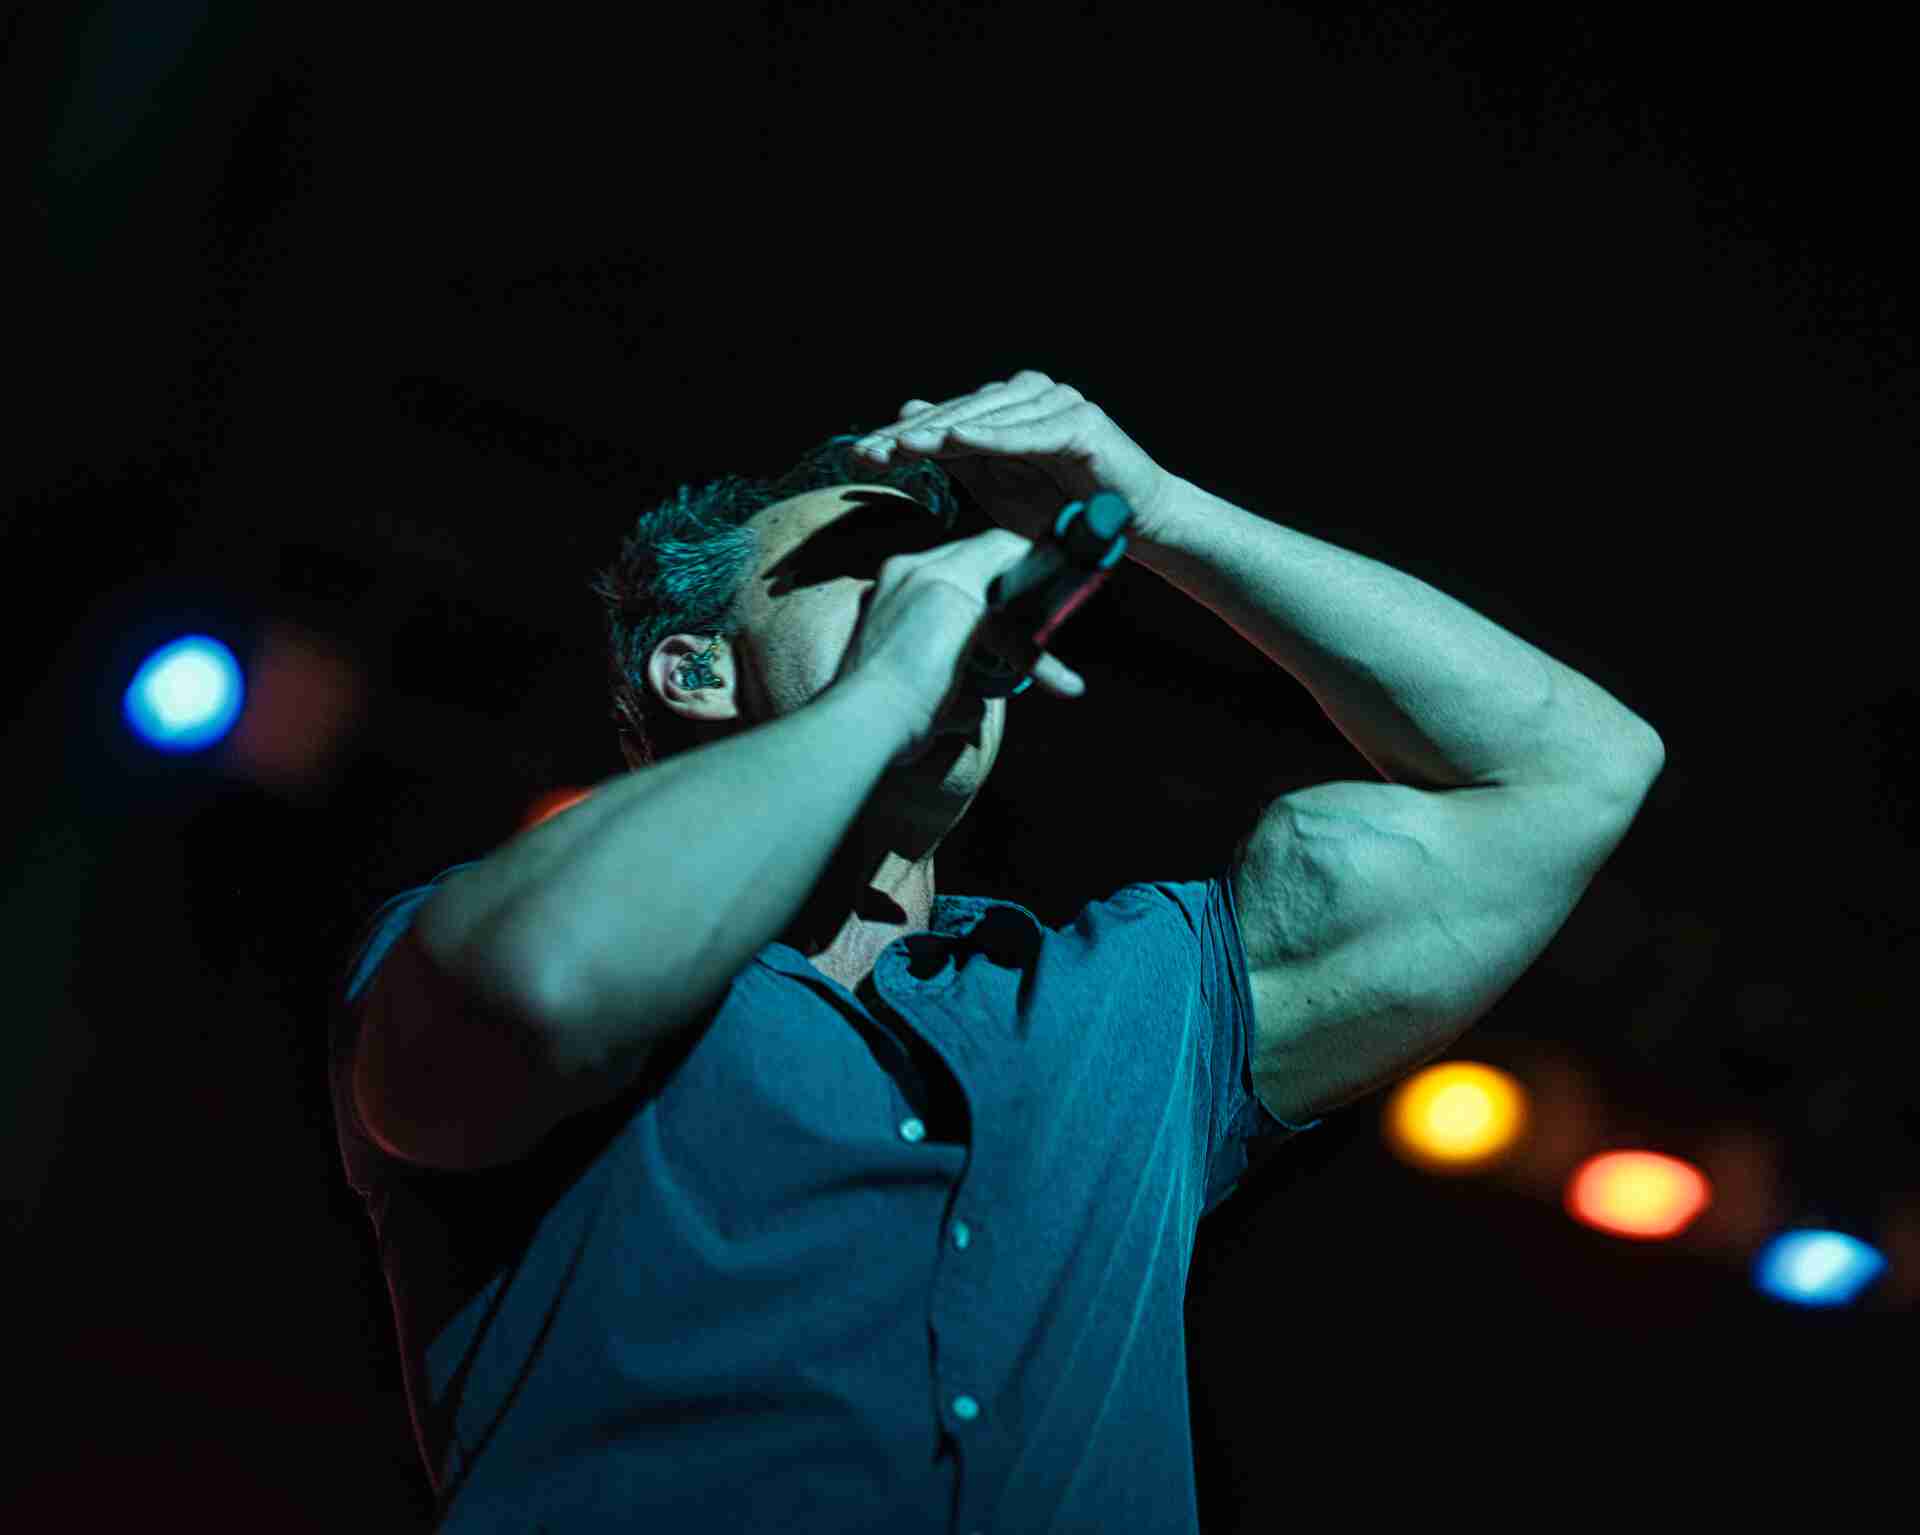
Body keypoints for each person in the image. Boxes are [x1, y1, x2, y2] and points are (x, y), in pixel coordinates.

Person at [331, 390, 1660, 1531]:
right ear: (696, 672)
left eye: (956, 573)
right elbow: (545, 985)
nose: (950, 597)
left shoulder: (1128, 1003)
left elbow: (1575, 773)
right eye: (876, 570)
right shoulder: (490, 927)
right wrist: (891, 684)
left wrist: (1166, 512)